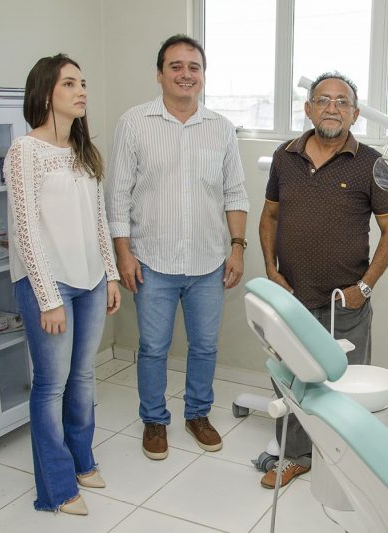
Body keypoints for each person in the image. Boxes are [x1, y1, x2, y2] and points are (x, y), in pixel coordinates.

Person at [106, 34, 249, 461]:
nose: (186, 74)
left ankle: (197, 414)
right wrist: (123, 254)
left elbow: (235, 192)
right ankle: (154, 420)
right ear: (160, 74)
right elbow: (118, 195)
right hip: (152, 261)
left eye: (194, 67)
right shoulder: (134, 123)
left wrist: (237, 248)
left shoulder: (220, 128)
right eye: (176, 66)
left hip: (208, 261)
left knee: (205, 347)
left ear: (203, 75)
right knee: (153, 347)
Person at [258, 72, 388, 488]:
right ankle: (296, 456)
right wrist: (271, 270)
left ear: (355, 114)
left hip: (345, 303)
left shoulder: (371, 163)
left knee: (345, 386)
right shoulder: (285, 156)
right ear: (308, 109)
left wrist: (365, 288)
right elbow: (269, 217)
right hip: (291, 299)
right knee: (291, 381)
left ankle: (344, 464)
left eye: (342, 102)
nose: (332, 108)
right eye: (323, 100)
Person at [5, 54, 121, 515]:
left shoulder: (83, 150)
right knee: (51, 386)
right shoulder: (25, 151)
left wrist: (110, 275)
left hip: (90, 279)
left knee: (84, 376)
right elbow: (26, 230)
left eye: (83, 83)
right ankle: (56, 488)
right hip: (47, 285)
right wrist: (48, 298)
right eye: (69, 83)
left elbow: (98, 220)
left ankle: (82, 460)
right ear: (45, 92)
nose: (81, 91)